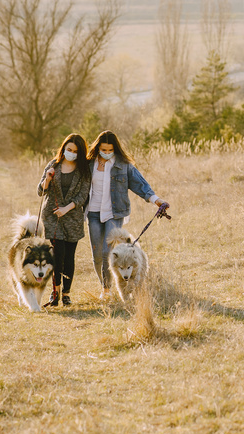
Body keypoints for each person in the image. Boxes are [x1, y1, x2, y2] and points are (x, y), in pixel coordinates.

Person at [85, 130, 169, 299]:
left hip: (115, 213)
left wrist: (157, 200)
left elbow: (141, 184)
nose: (107, 153)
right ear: (97, 148)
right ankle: (104, 284)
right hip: (93, 213)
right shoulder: (88, 164)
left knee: (107, 252)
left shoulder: (123, 165)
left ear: (115, 149)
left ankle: (107, 290)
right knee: (96, 255)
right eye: (104, 149)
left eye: (110, 150)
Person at [37, 133, 92, 307]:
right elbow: (40, 190)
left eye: (75, 151)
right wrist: (48, 178)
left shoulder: (84, 171)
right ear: (63, 149)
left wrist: (66, 209)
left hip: (73, 218)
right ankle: (55, 293)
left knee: (69, 258)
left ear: (80, 153)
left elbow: (83, 195)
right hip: (53, 217)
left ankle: (67, 294)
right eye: (68, 149)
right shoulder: (54, 164)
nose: (71, 153)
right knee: (57, 255)